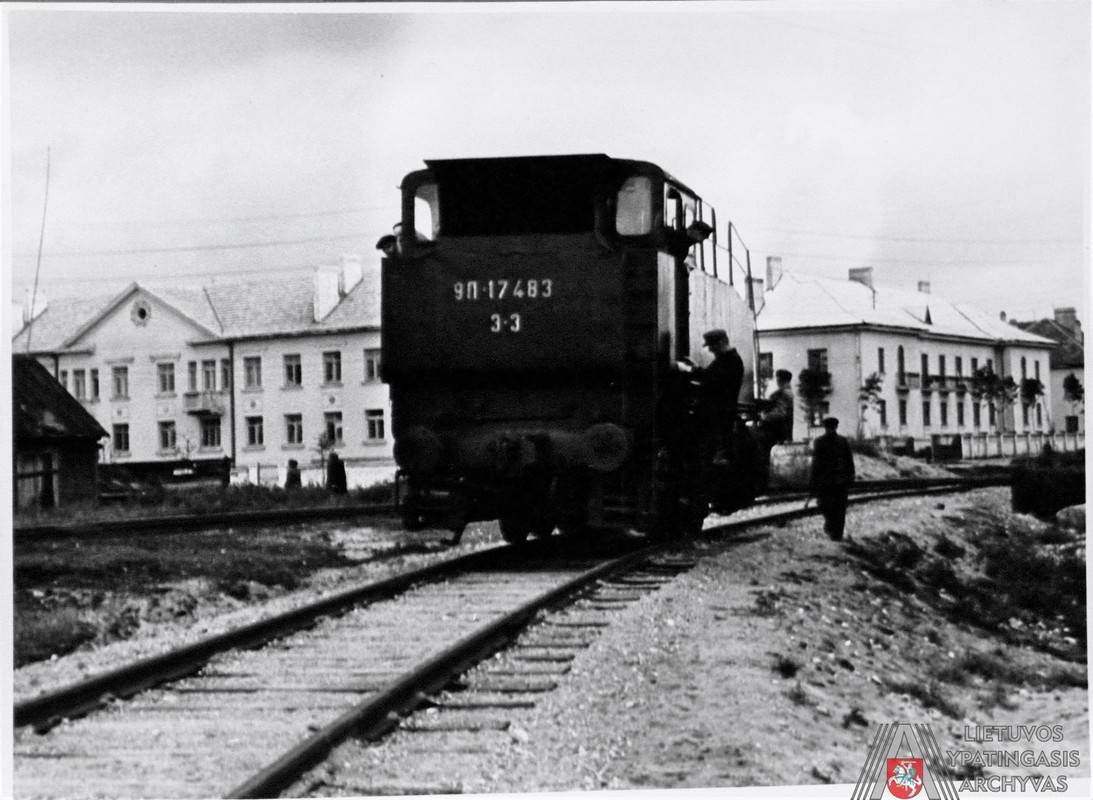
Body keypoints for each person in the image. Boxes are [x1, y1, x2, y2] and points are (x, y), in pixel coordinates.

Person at [694, 328, 745, 462]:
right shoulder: (725, 360)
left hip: (719, 418)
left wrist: (692, 370)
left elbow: (713, 381)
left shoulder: (731, 361)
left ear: (722, 342)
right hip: (716, 417)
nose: (710, 350)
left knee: (714, 457)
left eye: (712, 345)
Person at [810, 417, 856, 541]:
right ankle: (834, 531)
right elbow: (849, 461)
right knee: (836, 509)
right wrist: (850, 476)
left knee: (832, 507)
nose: (830, 429)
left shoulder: (821, 442)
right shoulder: (841, 441)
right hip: (836, 482)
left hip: (829, 482)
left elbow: (816, 463)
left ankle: (835, 533)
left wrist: (813, 480)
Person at [760, 369, 795, 447]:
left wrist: (764, 416)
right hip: (784, 431)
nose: (777, 382)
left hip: (777, 432)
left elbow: (780, 412)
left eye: (778, 380)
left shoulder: (782, 394)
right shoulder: (788, 393)